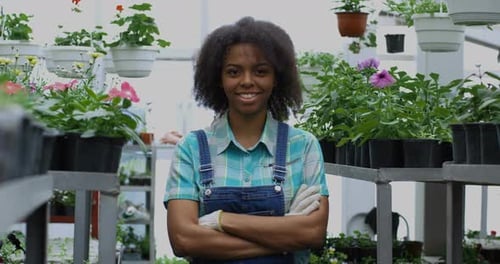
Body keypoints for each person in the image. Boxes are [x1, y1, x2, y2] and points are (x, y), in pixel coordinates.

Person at [163, 16, 329, 263]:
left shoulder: (303, 146)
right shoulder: (192, 148)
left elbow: (313, 233)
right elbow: (184, 240)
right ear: (218, 79)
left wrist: (220, 220)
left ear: (276, 78)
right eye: (233, 72)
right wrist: (284, 236)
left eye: (261, 71)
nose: (247, 81)